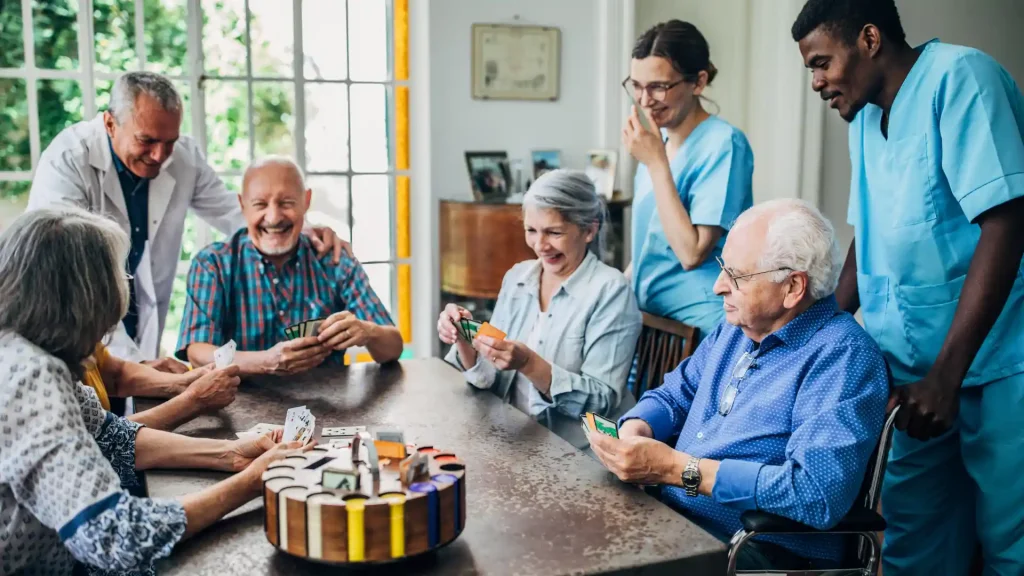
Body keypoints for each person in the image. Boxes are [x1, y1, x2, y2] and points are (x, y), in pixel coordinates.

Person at [792, 1, 1024, 573]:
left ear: (869, 38)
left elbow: (1006, 219)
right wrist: (811, 334)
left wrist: (948, 375)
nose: (818, 82)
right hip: (907, 375)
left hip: (995, 364)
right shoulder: (868, 118)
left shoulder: (961, 77)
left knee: (1009, 541)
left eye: (822, 63)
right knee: (908, 539)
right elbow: (864, 239)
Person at [0, 206, 310, 575]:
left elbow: (109, 436)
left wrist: (232, 453)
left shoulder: (25, 351)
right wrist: (252, 481)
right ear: (84, 300)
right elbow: (119, 535)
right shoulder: (29, 375)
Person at [589, 199, 888, 571]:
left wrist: (678, 469)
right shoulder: (736, 329)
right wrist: (637, 428)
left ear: (793, 286)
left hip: (759, 550)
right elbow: (674, 395)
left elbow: (816, 494)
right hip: (679, 520)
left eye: (736, 276)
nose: (718, 287)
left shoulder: (842, 356)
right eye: (721, 269)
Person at [27, 71, 349, 369]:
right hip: (69, 321)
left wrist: (305, 231)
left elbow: (233, 213)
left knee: (132, 417)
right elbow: (68, 277)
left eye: (170, 141)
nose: (159, 155)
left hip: (134, 310)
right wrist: (131, 366)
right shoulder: (68, 162)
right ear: (110, 124)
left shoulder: (182, 156)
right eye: (147, 141)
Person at [439, 170, 642, 450]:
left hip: (578, 452)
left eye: (554, 232)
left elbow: (601, 403)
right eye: (531, 231)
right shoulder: (518, 278)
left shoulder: (611, 291)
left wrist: (529, 364)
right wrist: (465, 337)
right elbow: (488, 378)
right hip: (514, 437)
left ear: (590, 230)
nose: (539, 245)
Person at [177, 157, 403, 374]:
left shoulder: (335, 260)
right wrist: (266, 362)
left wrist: (369, 332)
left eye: (286, 203)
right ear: (242, 205)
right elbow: (197, 352)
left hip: (327, 406)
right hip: (235, 401)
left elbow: (394, 348)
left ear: (306, 201)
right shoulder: (212, 264)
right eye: (260, 204)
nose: (274, 217)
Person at [623, 20, 754, 342]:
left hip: (700, 327)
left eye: (658, 86)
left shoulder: (724, 144)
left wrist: (656, 163)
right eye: (636, 85)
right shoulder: (658, 144)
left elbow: (692, 252)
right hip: (651, 324)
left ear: (698, 82)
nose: (644, 99)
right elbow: (650, 244)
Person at [82, 342, 240, 431]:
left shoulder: (83, 337)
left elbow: (116, 374)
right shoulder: (58, 370)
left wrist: (181, 383)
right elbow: (105, 436)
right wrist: (194, 400)